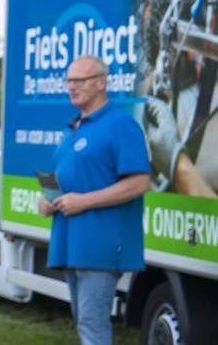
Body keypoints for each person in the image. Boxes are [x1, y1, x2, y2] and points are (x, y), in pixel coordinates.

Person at [37, 56, 150, 345]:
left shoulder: (120, 126)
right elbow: (76, 179)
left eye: (80, 81)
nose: (71, 87)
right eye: (69, 81)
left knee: (92, 324)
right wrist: (51, 201)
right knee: (83, 321)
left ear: (101, 82)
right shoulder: (73, 128)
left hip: (101, 245)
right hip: (72, 242)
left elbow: (139, 182)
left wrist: (84, 202)